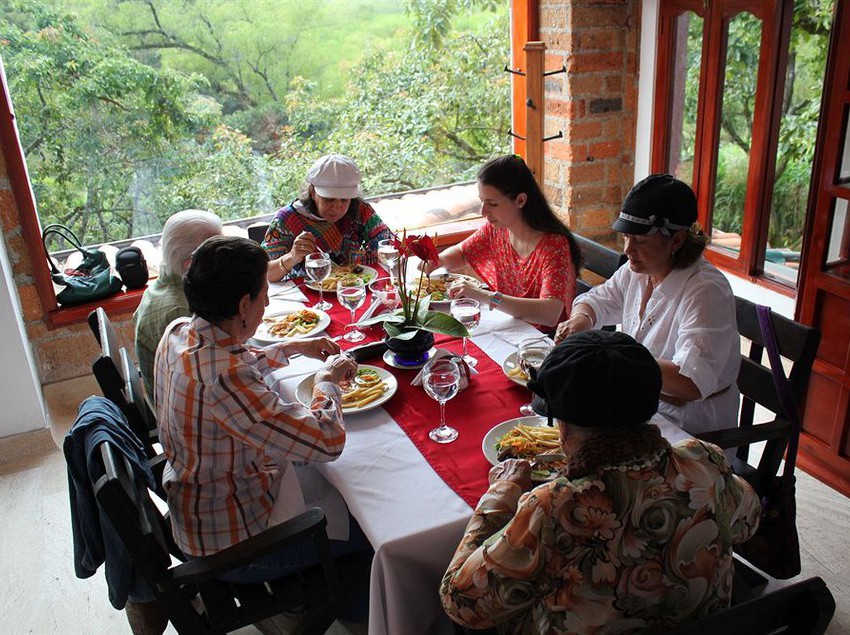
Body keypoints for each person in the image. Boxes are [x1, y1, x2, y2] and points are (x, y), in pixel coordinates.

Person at [440, 331, 761, 634]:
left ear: (563, 427)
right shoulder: (704, 459)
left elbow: (460, 603)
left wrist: (501, 492)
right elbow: (748, 523)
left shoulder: (557, 505)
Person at [155, 235, 371, 597]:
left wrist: (290, 347)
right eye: (263, 294)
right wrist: (326, 381)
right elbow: (328, 441)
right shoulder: (224, 378)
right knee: (371, 527)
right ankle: (349, 604)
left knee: (338, 490)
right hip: (236, 548)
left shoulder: (180, 332)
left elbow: (233, 361)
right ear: (243, 304)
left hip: (198, 505)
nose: (267, 302)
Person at [554, 174, 740, 437]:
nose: (629, 249)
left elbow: (691, 382)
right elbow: (597, 300)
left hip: (687, 429)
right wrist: (581, 319)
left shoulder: (705, 291)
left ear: (677, 240)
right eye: (626, 237)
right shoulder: (639, 270)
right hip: (638, 407)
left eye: (640, 240)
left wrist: (618, 360)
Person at [426, 154, 580, 328]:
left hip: (543, 341)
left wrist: (483, 295)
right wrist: (436, 261)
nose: (483, 211)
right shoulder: (497, 230)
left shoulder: (554, 246)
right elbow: (462, 253)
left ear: (520, 200)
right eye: (482, 202)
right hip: (511, 327)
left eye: (492, 204)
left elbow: (550, 313)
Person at [133, 209, 223, 401]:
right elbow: (211, 376)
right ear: (190, 264)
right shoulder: (180, 312)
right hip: (177, 408)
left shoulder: (160, 287)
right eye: (218, 255)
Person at [262, 154, 392, 281]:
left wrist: (382, 251)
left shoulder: (360, 210)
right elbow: (263, 274)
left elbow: (391, 246)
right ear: (313, 192)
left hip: (352, 288)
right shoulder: (288, 218)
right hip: (305, 296)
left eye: (344, 200)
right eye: (329, 200)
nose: (336, 208)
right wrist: (292, 256)